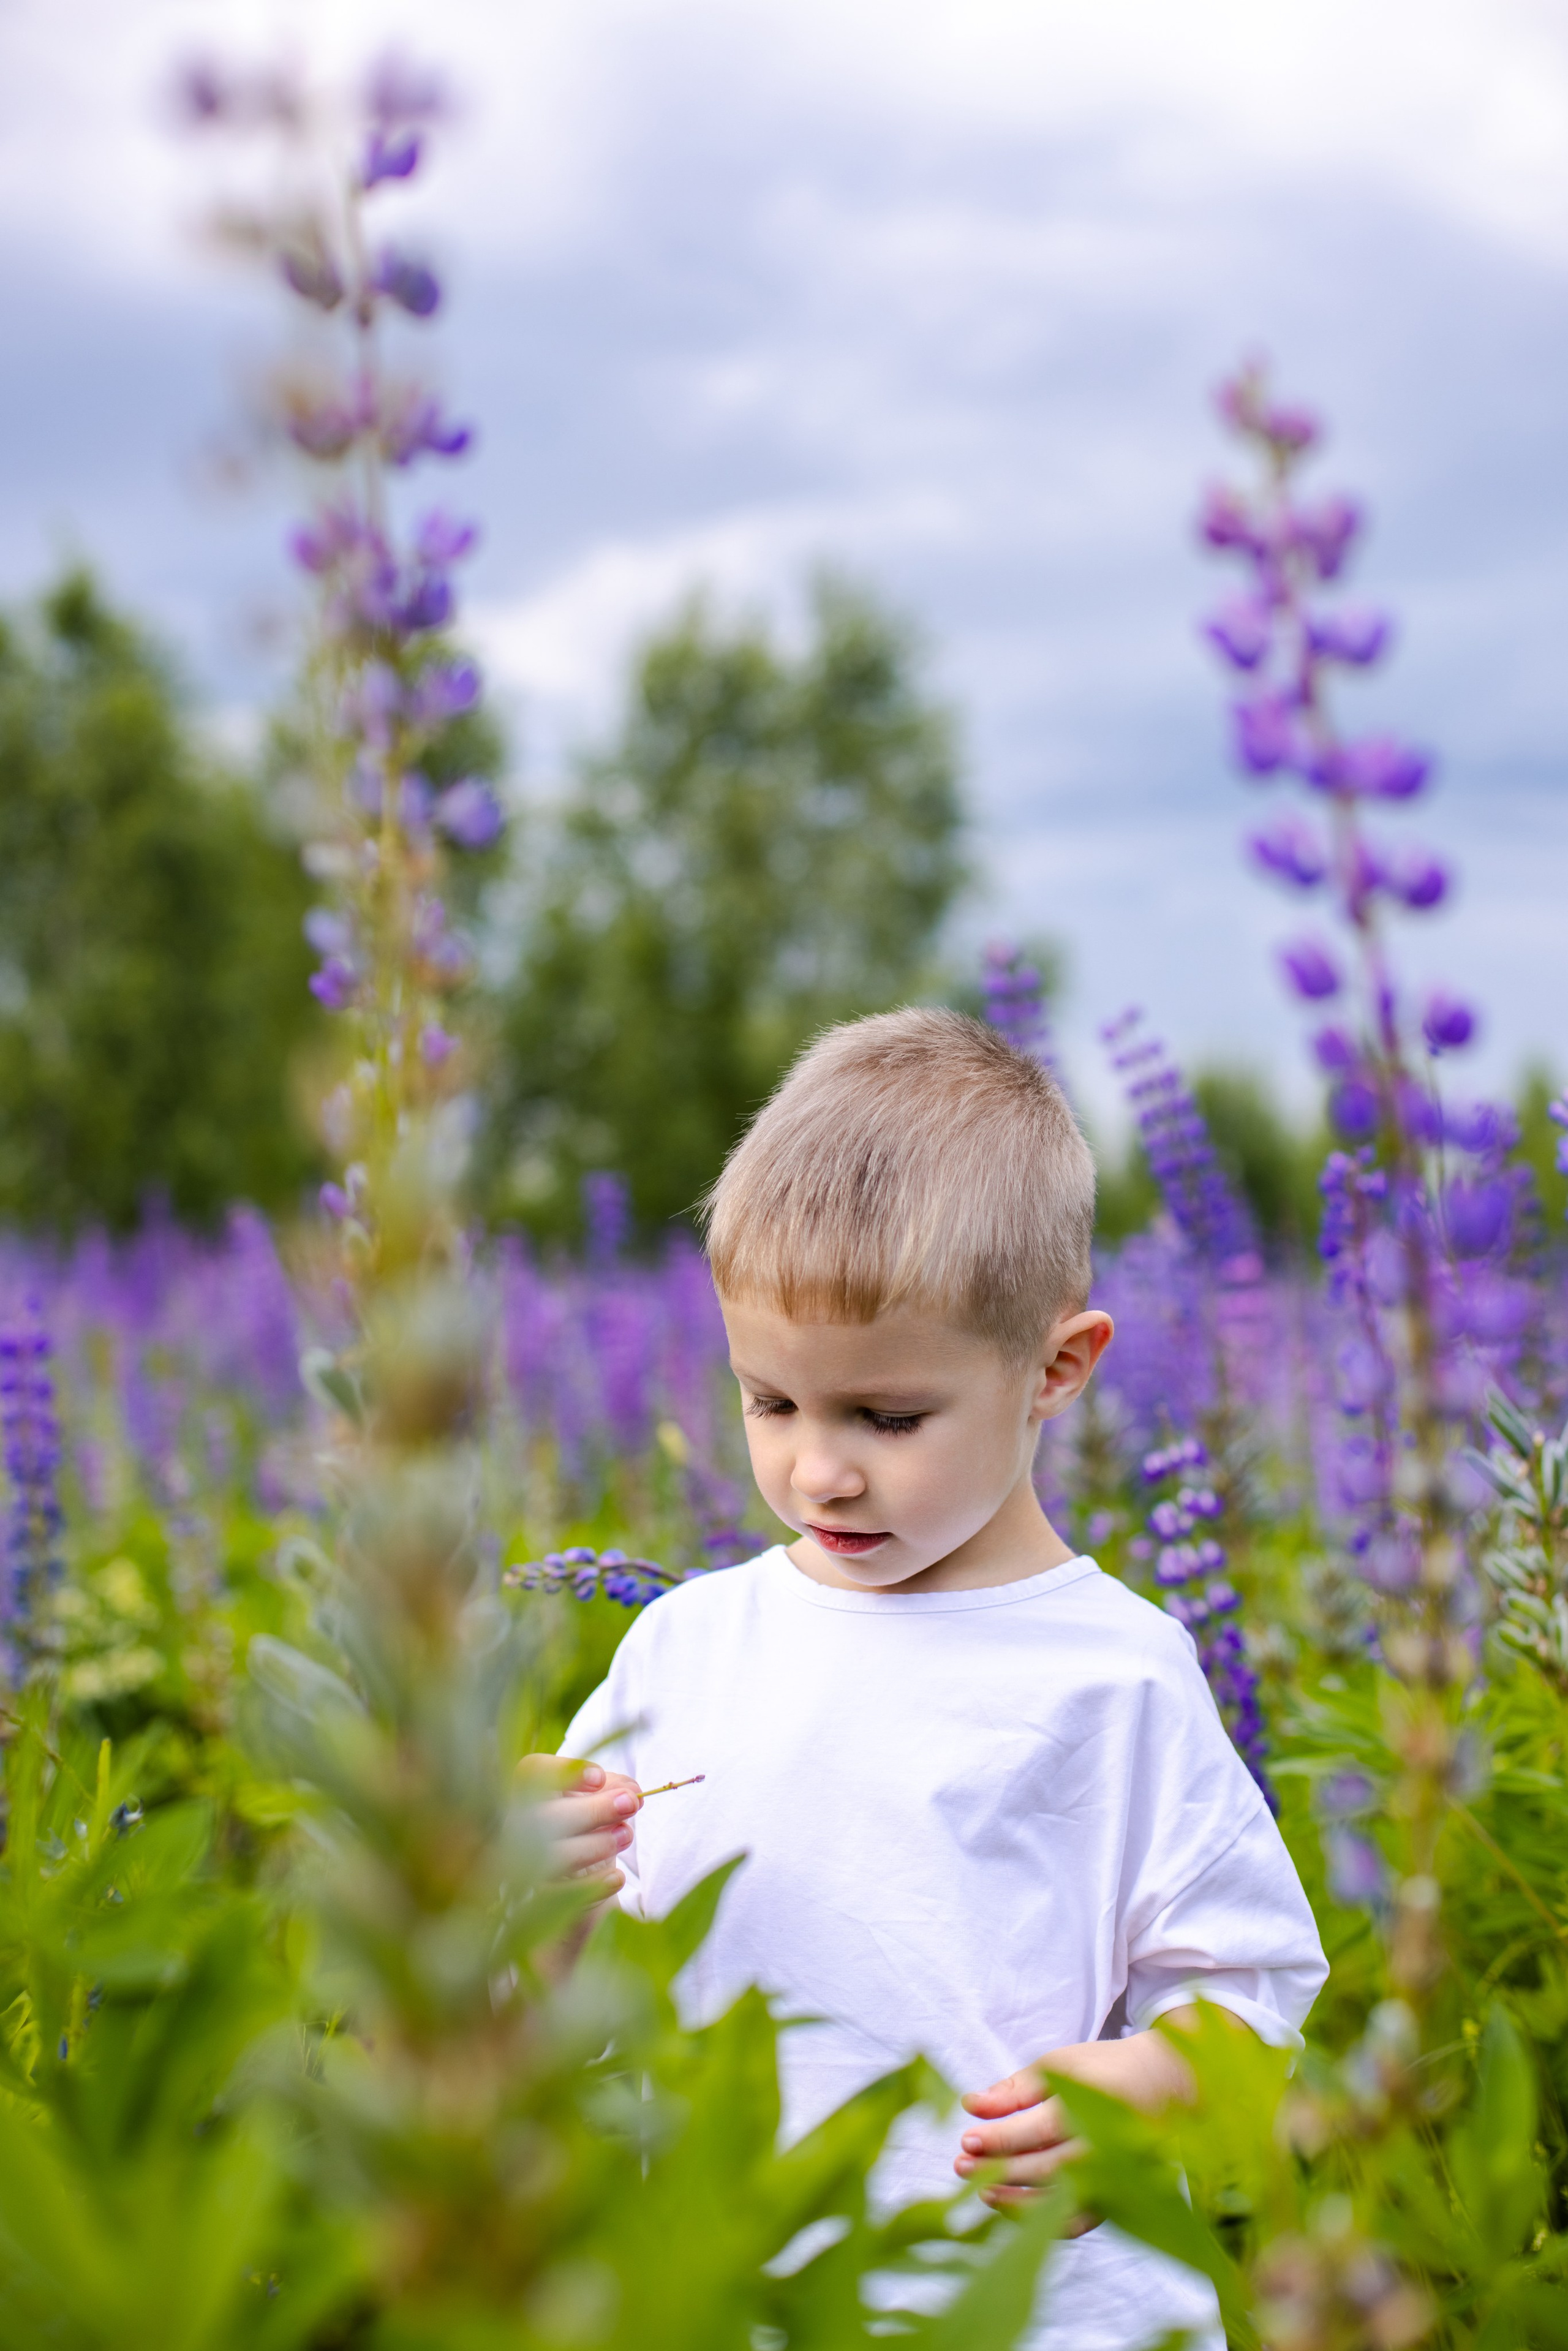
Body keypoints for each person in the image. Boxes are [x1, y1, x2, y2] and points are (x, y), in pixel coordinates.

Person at [536, 1008, 1326, 2350]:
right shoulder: (681, 1644)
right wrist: (538, 1902)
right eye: (769, 1400)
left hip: (1036, 2306)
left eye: (885, 1417)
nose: (816, 1470)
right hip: (730, 2296)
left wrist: (1140, 2086)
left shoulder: (1112, 1672)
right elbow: (589, 2008)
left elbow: (1250, 1993)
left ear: (1055, 1368)